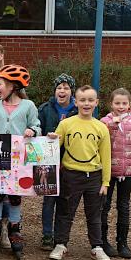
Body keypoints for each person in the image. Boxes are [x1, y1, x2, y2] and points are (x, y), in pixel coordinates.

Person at [49, 86, 112, 260]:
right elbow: (53, 146)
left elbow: (106, 156)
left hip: (94, 177)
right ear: (75, 102)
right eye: (82, 100)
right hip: (70, 176)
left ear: (96, 103)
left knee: (94, 215)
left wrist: (105, 181)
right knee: (65, 212)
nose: (86, 103)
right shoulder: (66, 124)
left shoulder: (101, 127)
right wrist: (50, 139)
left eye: (90, 100)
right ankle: (60, 244)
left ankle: (96, 246)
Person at [0, 65, 40, 260]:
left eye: (0, 84)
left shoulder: (28, 106)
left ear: (13, 86)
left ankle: (14, 229)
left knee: (16, 194)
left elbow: (36, 125)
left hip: (19, 158)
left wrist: (32, 131)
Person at [100, 88, 131, 259]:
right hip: (108, 170)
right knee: (104, 206)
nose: (121, 106)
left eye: (124, 103)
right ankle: (102, 241)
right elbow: (102, 141)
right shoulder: (104, 121)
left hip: (128, 170)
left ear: (130, 105)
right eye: (117, 103)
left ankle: (122, 242)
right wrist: (112, 126)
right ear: (111, 104)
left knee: (124, 206)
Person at [37, 73, 77, 250]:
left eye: (66, 88)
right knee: (48, 200)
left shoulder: (78, 109)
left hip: (69, 161)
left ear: (71, 91)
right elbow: (38, 130)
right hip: (48, 160)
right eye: (59, 88)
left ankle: (60, 236)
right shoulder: (45, 108)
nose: (62, 91)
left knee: (65, 200)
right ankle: (47, 235)